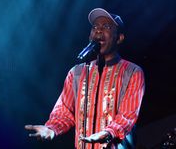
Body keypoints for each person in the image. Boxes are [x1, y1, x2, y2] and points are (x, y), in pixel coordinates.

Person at [25, 8, 145, 149]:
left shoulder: (132, 72)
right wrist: (51, 129)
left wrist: (108, 133)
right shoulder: (76, 73)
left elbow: (127, 115)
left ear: (119, 38)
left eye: (106, 26)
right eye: (95, 27)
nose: (98, 30)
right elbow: (64, 112)